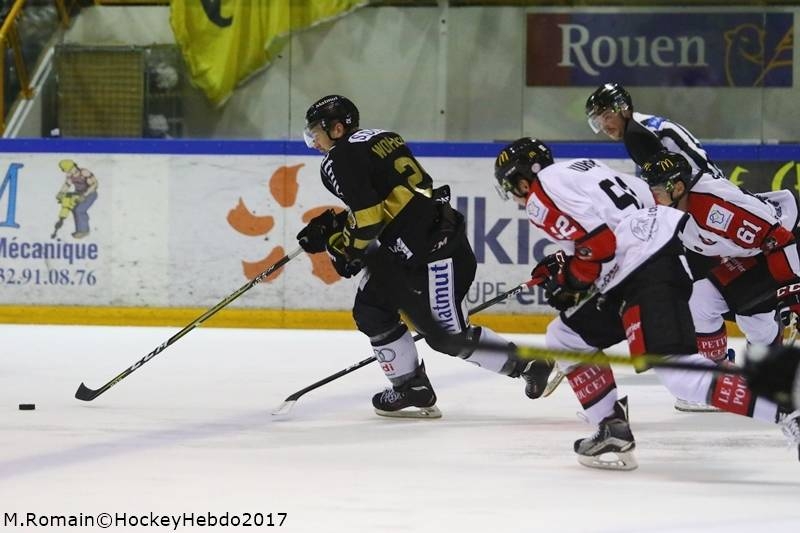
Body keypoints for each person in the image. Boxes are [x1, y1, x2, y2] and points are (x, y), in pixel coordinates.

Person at [493, 137, 800, 470]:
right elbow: (629, 214)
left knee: (678, 372)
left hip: (641, 270)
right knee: (565, 335)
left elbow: (600, 245)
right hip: (649, 263)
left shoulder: (539, 195)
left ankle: (788, 410)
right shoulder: (585, 168)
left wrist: (570, 280)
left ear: (520, 180)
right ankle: (611, 427)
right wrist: (569, 262)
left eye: (511, 188)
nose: (517, 198)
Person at [297, 95, 555, 419]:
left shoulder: (338, 158)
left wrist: (342, 245)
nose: (314, 141)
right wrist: (337, 227)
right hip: (413, 246)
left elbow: (368, 218)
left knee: (448, 338)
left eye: (317, 132)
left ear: (336, 129)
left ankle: (529, 365)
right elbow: (388, 202)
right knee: (372, 309)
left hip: (435, 254)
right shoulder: (382, 137)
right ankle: (411, 387)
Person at [585, 82, 759, 411]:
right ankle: (722, 368)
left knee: (702, 293)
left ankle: (717, 375)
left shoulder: (640, 135)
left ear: (623, 108)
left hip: (700, 213)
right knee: (707, 292)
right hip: (707, 206)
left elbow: (672, 185)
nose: (604, 125)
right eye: (598, 120)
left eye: (606, 115)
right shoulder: (644, 127)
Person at [640, 150, 800, 364]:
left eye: (656, 191)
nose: (651, 198)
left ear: (678, 188)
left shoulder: (713, 209)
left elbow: (777, 238)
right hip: (758, 250)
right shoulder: (677, 205)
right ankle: (744, 368)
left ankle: (722, 371)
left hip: (788, 243)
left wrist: (793, 292)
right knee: (750, 318)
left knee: (702, 303)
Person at [56, 159, 98, 239]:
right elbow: (67, 185)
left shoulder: (84, 172)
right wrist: (61, 193)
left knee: (79, 210)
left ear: (73, 167)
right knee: (73, 208)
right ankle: (80, 227)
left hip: (90, 193)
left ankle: (84, 231)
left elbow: (94, 185)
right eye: (67, 171)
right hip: (79, 194)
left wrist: (84, 195)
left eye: (69, 170)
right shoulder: (70, 175)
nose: (69, 172)